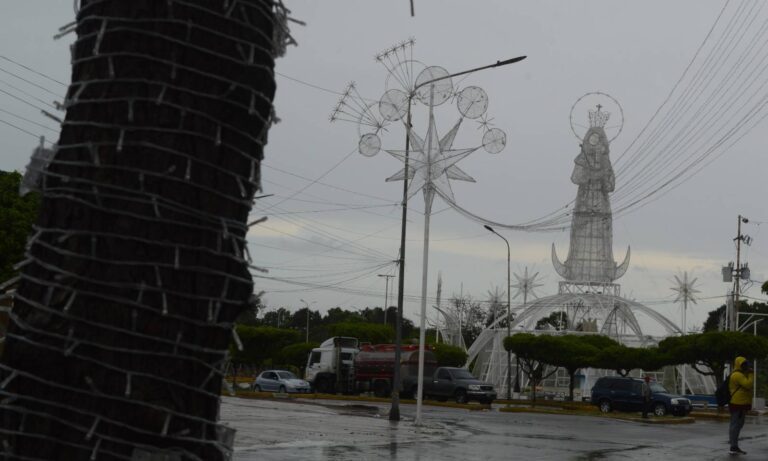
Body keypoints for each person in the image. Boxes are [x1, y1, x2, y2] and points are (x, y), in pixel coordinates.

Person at [728, 356, 754, 455]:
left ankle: (734, 446)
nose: (746, 366)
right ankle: (733, 446)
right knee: (736, 425)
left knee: (738, 424)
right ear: (739, 365)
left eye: (746, 364)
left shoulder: (740, 374)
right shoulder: (737, 375)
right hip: (738, 403)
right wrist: (751, 374)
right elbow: (748, 384)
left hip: (740, 403)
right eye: (744, 364)